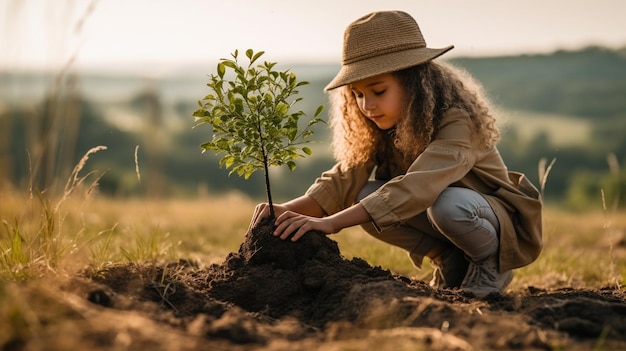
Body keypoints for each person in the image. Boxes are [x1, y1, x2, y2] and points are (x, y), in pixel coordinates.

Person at [249, 10, 542, 298]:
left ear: (413, 81)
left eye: (378, 91)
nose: (367, 105)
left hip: (495, 222)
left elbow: (419, 186)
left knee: (449, 205)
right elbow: (344, 180)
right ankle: (449, 259)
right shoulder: (383, 125)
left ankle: (490, 264)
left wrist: (331, 223)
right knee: (363, 195)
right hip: (442, 214)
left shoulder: (458, 120)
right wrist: (288, 209)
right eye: (358, 94)